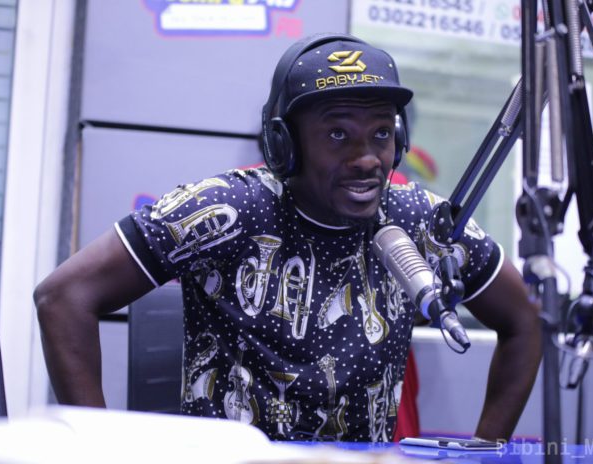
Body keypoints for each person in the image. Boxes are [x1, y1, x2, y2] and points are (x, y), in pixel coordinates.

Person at [34, 33, 541, 442]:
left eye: (382, 134)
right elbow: (63, 296)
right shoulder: (227, 209)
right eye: (338, 134)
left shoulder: (417, 219)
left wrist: (487, 449)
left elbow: (526, 320)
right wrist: (95, 449)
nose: (367, 158)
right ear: (284, 144)